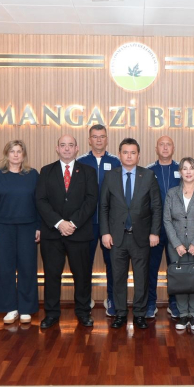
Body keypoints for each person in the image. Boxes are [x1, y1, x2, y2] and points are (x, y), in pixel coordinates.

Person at [35, 135, 98, 329]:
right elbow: (40, 200)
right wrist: (59, 223)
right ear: (57, 148)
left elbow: (91, 200)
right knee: (51, 275)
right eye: (63, 145)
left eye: (71, 145)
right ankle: (51, 314)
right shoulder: (46, 171)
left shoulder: (88, 171)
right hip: (52, 234)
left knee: (82, 275)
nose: (67, 149)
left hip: (79, 233)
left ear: (77, 148)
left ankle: (83, 312)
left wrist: (73, 223)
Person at [100, 138, 162, 330]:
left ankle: (139, 314)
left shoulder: (148, 175)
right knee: (118, 277)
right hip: (116, 237)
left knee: (141, 277)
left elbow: (157, 207)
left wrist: (154, 232)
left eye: (133, 152)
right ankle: (120, 313)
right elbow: (103, 206)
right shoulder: (110, 176)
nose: (129, 156)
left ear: (138, 155)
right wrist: (105, 232)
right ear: (119, 155)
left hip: (141, 236)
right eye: (125, 152)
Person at [0, 140, 40, 325]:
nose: (16, 155)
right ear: (6, 154)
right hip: (3, 228)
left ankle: (26, 308)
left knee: (27, 268)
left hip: (28, 227)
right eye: (12, 151)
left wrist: (39, 227)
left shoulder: (33, 175)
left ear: (24, 155)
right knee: (4, 268)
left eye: (19, 151)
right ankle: (10, 307)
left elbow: (39, 203)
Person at [163, 158, 194, 333]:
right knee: (181, 280)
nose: (188, 172)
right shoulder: (172, 193)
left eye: (191, 168)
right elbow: (167, 220)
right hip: (176, 246)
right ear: (180, 172)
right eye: (185, 168)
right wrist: (177, 244)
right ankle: (183, 314)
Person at [77, 124, 121, 316]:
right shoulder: (80, 162)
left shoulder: (116, 161)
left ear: (107, 139)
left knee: (112, 263)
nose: (98, 140)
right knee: (83, 264)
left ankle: (112, 299)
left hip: (110, 224)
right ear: (89, 140)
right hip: (86, 223)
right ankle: (85, 299)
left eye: (102, 136)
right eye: (95, 137)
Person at [145, 135, 180, 319]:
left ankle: (174, 303)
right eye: (161, 144)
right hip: (155, 229)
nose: (165, 148)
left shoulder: (182, 169)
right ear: (156, 148)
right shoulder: (148, 171)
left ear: (173, 148)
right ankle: (151, 302)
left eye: (168, 144)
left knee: (175, 268)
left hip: (176, 229)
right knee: (151, 267)